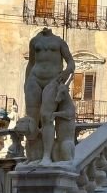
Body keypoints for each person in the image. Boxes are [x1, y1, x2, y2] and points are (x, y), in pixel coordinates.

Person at [24, 27, 75, 162]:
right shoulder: (34, 41)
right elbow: (31, 63)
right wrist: (26, 81)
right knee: (32, 119)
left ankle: (46, 156)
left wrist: (66, 73)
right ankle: (33, 156)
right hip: (34, 78)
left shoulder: (59, 42)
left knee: (47, 116)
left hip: (53, 79)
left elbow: (71, 62)